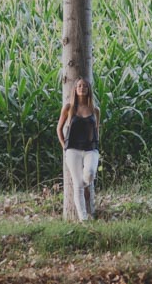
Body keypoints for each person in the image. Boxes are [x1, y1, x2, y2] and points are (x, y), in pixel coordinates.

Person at [57, 77, 101, 221]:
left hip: (91, 149)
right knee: (78, 185)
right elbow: (59, 129)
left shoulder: (95, 110)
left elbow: (96, 130)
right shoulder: (69, 108)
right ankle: (83, 219)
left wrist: (97, 144)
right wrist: (65, 147)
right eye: (79, 86)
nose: (82, 88)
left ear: (89, 89)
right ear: (75, 89)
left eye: (85, 86)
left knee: (89, 173)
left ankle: (85, 182)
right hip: (73, 149)